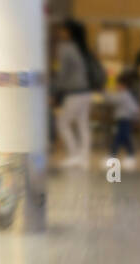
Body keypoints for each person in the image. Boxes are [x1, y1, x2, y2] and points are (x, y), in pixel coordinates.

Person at [53, 19, 98, 168]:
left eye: (63, 29)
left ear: (69, 32)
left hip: (74, 93)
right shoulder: (83, 47)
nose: (60, 32)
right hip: (87, 92)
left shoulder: (65, 48)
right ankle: (83, 157)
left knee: (62, 123)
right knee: (82, 125)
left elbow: (63, 73)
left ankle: (73, 155)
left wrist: (55, 90)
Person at [108, 71, 140, 170]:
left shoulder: (123, 95)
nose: (116, 87)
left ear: (123, 85)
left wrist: (104, 93)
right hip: (124, 119)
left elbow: (112, 100)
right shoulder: (126, 95)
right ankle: (129, 155)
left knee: (120, 137)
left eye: (117, 85)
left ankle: (113, 155)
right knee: (124, 137)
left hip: (125, 119)